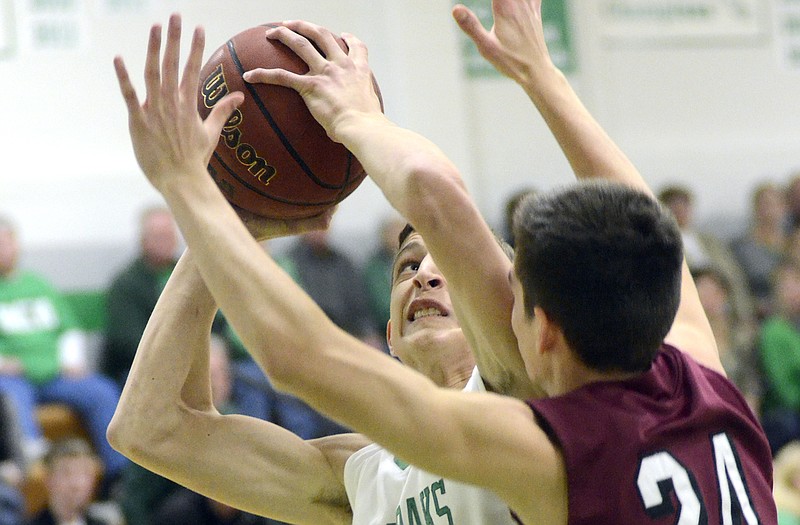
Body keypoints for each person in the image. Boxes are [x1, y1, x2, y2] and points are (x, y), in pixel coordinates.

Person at [108, 2, 777, 524]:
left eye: (451, 269)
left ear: (531, 325)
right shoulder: (362, 477)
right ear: (390, 335)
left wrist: (197, 192)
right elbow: (152, 426)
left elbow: (307, 347)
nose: (426, 272)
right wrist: (227, 219)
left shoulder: (535, 423)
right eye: (405, 267)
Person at [0, 216, 126, 483]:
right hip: (13, 377)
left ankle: (118, 474)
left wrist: (72, 360)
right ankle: (34, 463)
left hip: (56, 373)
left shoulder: (38, 284)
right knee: (9, 396)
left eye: (6, 242)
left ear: (16, 245)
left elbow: (68, 328)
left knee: (101, 391)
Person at [103, 206, 180, 387]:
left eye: (169, 236)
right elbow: (128, 342)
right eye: (159, 237)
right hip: (137, 369)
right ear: (143, 240)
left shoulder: (188, 275)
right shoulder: (125, 284)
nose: (165, 242)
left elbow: (215, 324)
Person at [27, 437, 119, 525]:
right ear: (48, 480)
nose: (76, 484)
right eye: (67, 473)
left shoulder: (102, 522)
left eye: (84, 473)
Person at [731, 182, 788, 319]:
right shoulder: (741, 248)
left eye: (773, 204)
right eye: (763, 205)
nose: (768, 210)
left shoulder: (793, 243)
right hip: (759, 315)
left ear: (783, 208)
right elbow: (737, 285)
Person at [362, 213, 406, 348]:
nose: (396, 236)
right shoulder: (373, 266)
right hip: (382, 329)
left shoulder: (415, 261)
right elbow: (379, 304)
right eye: (392, 232)